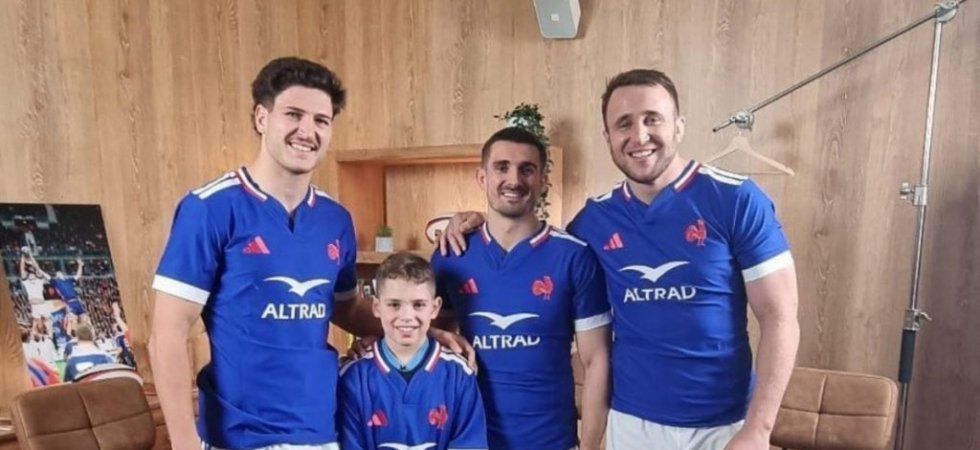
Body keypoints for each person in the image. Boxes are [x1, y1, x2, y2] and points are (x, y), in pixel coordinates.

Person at [439, 70, 800, 450]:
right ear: (608, 136)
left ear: (679, 126)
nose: (639, 136)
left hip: (725, 425)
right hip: (631, 425)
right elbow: (532, 246)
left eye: (652, 119)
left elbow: (780, 317)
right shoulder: (592, 222)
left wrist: (759, 429)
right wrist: (470, 222)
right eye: (624, 124)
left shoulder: (738, 200)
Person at [150, 57, 380, 450]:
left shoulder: (336, 219)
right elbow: (166, 336)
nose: (307, 131)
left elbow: (347, 309)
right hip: (239, 437)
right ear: (261, 118)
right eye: (294, 114)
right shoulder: (209, 209)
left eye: (321, 120)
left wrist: (424, 329)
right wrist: (184, 443)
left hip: (321, 432)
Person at [431, 127, 612, 450]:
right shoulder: (452, 253)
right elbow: (428, 343)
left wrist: (589, 447)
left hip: (552, 442)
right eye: (502, 167)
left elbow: (597, 360)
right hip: (471, 441)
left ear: (542, 180)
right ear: (482, 177)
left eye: (526, 169)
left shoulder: (573, 257)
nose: (513, 180)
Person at [338, 252, 487, 450]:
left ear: (435, 307)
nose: (407, 316)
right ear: (376, 307)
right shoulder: (353, 377)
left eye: (418, 305)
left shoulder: (459, 374)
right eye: (394, 305)